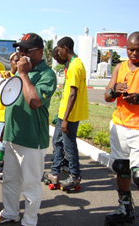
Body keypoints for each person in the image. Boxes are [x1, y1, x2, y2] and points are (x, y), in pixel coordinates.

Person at [0, 33, 57, 226]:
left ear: (40, 52)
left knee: (30, 186)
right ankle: (10, 212)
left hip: (32, 140)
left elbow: (34, 101)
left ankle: (29, 221)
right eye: (19, 49)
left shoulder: (47, 74)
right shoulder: (18, 71)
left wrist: (24, 74)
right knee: (10, 181)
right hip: (12, 137)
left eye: (27, 50)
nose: (21, 54)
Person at [104, 31, 139, 226]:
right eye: (131, 49)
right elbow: (107, 95)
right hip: (120, 125)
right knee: (121, 168)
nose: (134, 53)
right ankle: (125, 209)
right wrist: (115, 91)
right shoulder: (120, 67)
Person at [48, 36, 88, 190]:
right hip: (64, 114)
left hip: (70, 116)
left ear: (65, 48)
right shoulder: (71, 64)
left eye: (58, 50)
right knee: (57, 142)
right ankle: (55, 173)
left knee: (69, 146)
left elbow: (73, 94)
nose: (58, 54)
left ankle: (75, 177)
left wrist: (65, 120)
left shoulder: (76, 66)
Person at [0, 52, 20, 183]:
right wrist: (7, 80)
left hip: (17, 115)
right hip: (3, 115)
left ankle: (9, 168)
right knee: (3, 142)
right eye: (15, 60)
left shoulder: (23, 77)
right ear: (10, 62)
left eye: (20, 60)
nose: (17, 62)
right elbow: (1, 91)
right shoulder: (3, 74)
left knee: (13, 144)